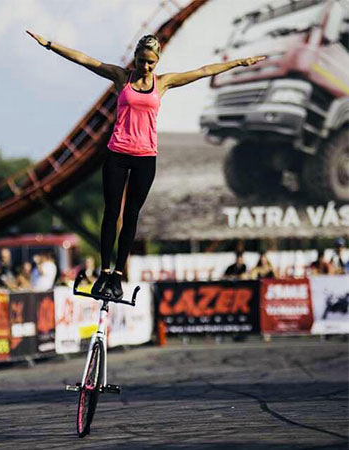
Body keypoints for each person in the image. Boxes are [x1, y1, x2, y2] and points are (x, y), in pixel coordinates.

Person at [27, 30, 265, 298]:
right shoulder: (121, 78)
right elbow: (85, 60)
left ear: (157, 62)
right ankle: (103, 272)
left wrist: (238, 63)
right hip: (117, 153)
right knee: (111, 212)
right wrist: (49, 45)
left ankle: (117, 276)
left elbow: (204, 70)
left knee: (131, 216)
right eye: (141, 60)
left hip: (145, 158)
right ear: (135, 58)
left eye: (151, 62)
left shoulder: (163, 83)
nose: (146, 66)